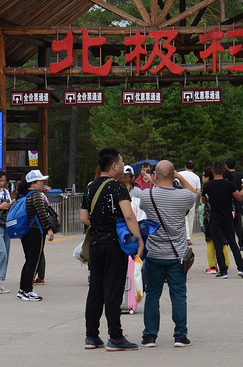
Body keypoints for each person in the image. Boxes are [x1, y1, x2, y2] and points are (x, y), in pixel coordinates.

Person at [81, 147, 144, 351]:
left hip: (95, 245)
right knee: (113, 290)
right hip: (114, 245)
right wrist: (138, 239)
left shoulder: (90, 187)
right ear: (115, 165)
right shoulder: (118, 187)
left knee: (95, 290)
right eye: (122, 163)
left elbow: (83, 218)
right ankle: (115, 337)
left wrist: (99, 225)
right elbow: (128, 215)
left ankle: (91, 336)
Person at [139, 160, 196, 348]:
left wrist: (156, 180)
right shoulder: (183, 197)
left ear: (155, 175)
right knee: (178, 295)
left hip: (155, 253)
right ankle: (180, 335)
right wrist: (179, 176)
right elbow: (193, 193)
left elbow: (155, 190)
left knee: (153, 295)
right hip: (177, 254)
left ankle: (149, 336)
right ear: (173, 175)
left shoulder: (147, 195)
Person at [201, 161, 243, 279]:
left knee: (217, 245)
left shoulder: (208, 186)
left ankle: (223, 271)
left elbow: (203, 200)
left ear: (212, 171)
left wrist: (210, 200)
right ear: (223, 171)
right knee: (232, 243)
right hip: (227, 217)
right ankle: (241, 268)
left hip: (215, 218)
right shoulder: (229, 185)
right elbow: (239, 197)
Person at [16, 169, 54, 302]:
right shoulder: (37, 196)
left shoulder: (24, 195)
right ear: (33, 183)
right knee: (34, 262)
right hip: (36, 232)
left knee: (29, 261)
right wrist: (49, 229)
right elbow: (42, 213)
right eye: (40, 181)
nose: (42, 183)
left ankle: (22, 289)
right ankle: (28, 291)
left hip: (26, 232)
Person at [177, 160, 201, 242]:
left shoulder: (179, 174)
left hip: (180, 198)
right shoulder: (196, 177)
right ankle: (189, 237)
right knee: (191, 218)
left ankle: (185, 237)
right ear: (193, 167)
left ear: (185, 166)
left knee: (184, 218)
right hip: (192, 198)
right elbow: (198, 190)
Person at [224, 157, 243, 250]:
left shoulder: (225, 175)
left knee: (228, 224)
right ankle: (241, 245)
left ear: (226, 166)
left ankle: (229, 243)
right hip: (238, 200)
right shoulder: (240, 175)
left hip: (227, 201)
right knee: (238, 223)